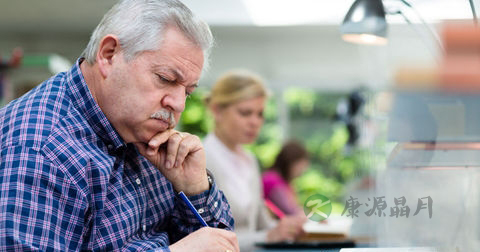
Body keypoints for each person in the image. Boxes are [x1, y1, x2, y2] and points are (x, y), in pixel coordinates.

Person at [0, 1, 239, 251]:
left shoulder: (143, 131)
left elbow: (221, 245)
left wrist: (194, 188)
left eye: (188, 91)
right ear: (109, 54)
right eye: (165, 79)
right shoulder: (39, 148)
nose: (178, 104)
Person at [203, 70, 306, 252]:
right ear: (217, 110)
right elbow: (206, 239)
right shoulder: (201, 159)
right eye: (245, 113)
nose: (255, 122)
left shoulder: (249, 160)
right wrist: (268, 236)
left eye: (260, 114)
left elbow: (261, 223)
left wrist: (288, 227)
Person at [262, 140, 309, 215]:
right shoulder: (272, 180)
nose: (302, 171)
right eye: (300, 166)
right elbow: (290, 211)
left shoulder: (285, 182)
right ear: (290, 162)